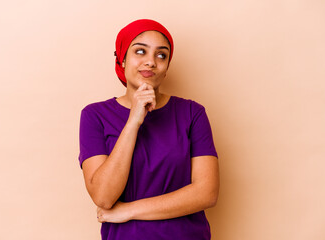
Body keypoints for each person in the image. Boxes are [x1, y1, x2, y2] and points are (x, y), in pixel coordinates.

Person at [78, 19, 219, 240]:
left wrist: (128, 210)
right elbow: (103, 197)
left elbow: (206, 193)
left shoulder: (192, 113)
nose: (151, 62)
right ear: (122, 60)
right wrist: (133, 121)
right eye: (140, 51)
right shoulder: (94, 115)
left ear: (166, 68)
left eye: (161, 55)